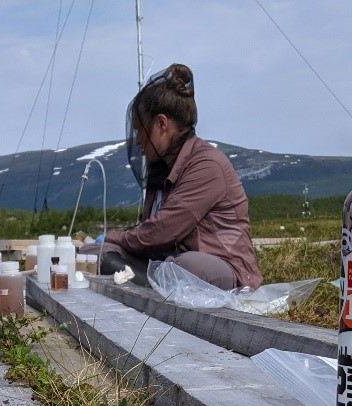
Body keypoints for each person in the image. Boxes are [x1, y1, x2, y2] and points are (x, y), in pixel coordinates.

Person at [97, 64, 261, 293]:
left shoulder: (207, 165)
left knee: (186, 266)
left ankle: (144, 286)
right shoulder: (163, 169)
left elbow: (161, 231)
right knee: (98, 252)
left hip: (222, 268)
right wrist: (109, 243)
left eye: (139, 130)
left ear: (161, 124)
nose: (138, 141)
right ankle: (148, 286)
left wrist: (117, 236)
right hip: (165, 261)